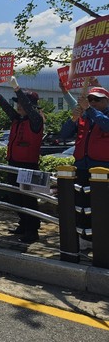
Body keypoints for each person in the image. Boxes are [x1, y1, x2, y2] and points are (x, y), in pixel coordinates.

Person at [0, 76, 44, 244]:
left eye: (21, 102)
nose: (18, 105)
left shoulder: (36, 120)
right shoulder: (17, 119)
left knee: (29, 199)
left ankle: (32, 230)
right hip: (14, 163)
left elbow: (29, 108)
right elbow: (5, 107)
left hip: (29, 166)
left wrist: (17, 88)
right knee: (15, 197)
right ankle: (24, 223)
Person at [60, 85, 109, 250]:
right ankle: (86, 239)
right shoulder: (83, 117)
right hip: (81, 168)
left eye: (97, 99)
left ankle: (102, 240)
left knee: (101, 207)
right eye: (90, 99)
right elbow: (63, 134)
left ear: (107, 101)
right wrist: (73, 119)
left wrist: (90, 109)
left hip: (103, 170)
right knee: (82, 206)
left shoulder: (103, 115)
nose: (93, 102)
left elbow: (106, 125)